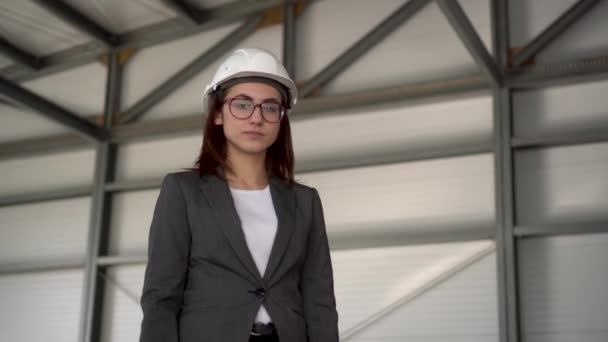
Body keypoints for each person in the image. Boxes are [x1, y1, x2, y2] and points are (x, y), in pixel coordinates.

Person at [139, 48, 339, 342]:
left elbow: (319, 301)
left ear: (281, 120)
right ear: (218, 113)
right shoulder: (183, 191)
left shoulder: (305, 202)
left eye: (270, 107)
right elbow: (161, 296)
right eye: (242, 104)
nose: (256, 118)